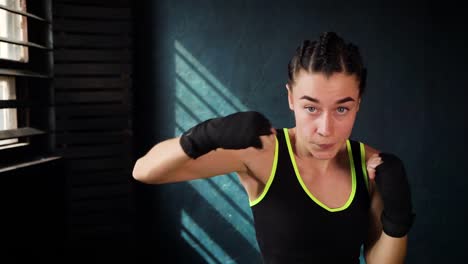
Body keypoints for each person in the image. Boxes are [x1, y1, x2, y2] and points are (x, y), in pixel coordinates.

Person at [132, 31, 415, 264]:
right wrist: (205, 134)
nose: (326, 129)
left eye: (342, 109)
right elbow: (144, 171)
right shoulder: (264, 152)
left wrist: (397, 221)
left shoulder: (371, 165)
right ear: (291, 98)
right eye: (310, 108)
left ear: (358, 102)